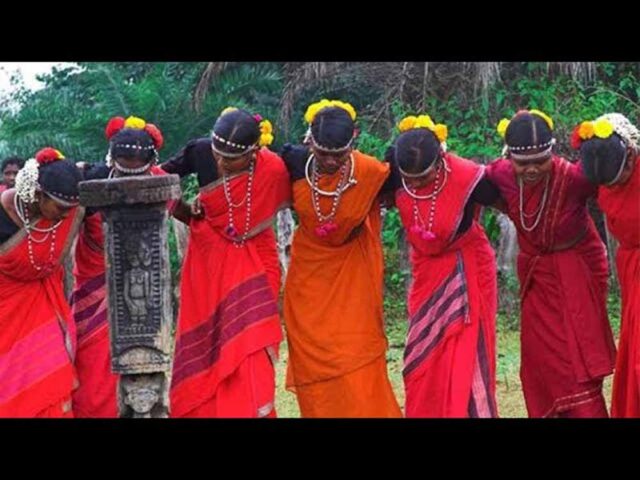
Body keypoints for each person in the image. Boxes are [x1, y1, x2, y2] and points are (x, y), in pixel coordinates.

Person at [485, 109, 615, 417]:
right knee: (541, 361)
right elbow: (468, 182)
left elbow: (617, 180)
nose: (531, 169)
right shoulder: (500, 175)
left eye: (540, 161)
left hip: (577, 276)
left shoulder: (575, 179)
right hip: (537, 283)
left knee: (576, 360)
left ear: (552, 152)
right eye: (523, 163)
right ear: (508, 157)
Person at [162, 107, 290, 417]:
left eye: (231, 159)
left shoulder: (273, 169)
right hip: (208, 262)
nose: (220, 163)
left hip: (257, 260)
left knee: (252, 343)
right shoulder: (200, 150)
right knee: (209, 342)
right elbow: (157, 179)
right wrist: (182, 210)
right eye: (217, 154)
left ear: (253, 152)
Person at [281, 99, 402, 417]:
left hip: (354, 283)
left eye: (339, 154)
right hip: (308, 286)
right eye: (323, 153)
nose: (331, 161)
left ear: (354, 140)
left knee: (356, 358)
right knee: (314, 368)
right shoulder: (293, 163)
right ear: (309, 141)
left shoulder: (371, 173)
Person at [388, 114, 499, 417]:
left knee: (467, 353)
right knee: (422, 359)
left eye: (422, 178)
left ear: (440, 160)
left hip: (468, 270)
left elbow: (508, 198)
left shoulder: (467, 177)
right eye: (409, 178)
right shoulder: (396, 175)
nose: (414, 184)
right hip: (426, 275)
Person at [71, 115, 169, 417]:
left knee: (146, 368)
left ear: (151, 163)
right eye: (124, 170)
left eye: (139, 171)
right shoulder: (90, 185)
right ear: (112, 159)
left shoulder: (161, 183)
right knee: (93, 375)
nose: (132, 181)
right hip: (94, 295)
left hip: (146, 295)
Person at [0, 147, 83, 417]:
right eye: (60, 208)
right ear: (37, 195)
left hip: (44, 311)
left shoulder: (65, 210)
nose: (66, 215)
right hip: (6, 316)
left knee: (50, 378)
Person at [574, 113, 640, 417]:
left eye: (623, 174)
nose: (619, 182)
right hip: (630, 270)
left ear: (631, 153)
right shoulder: (600, 171)